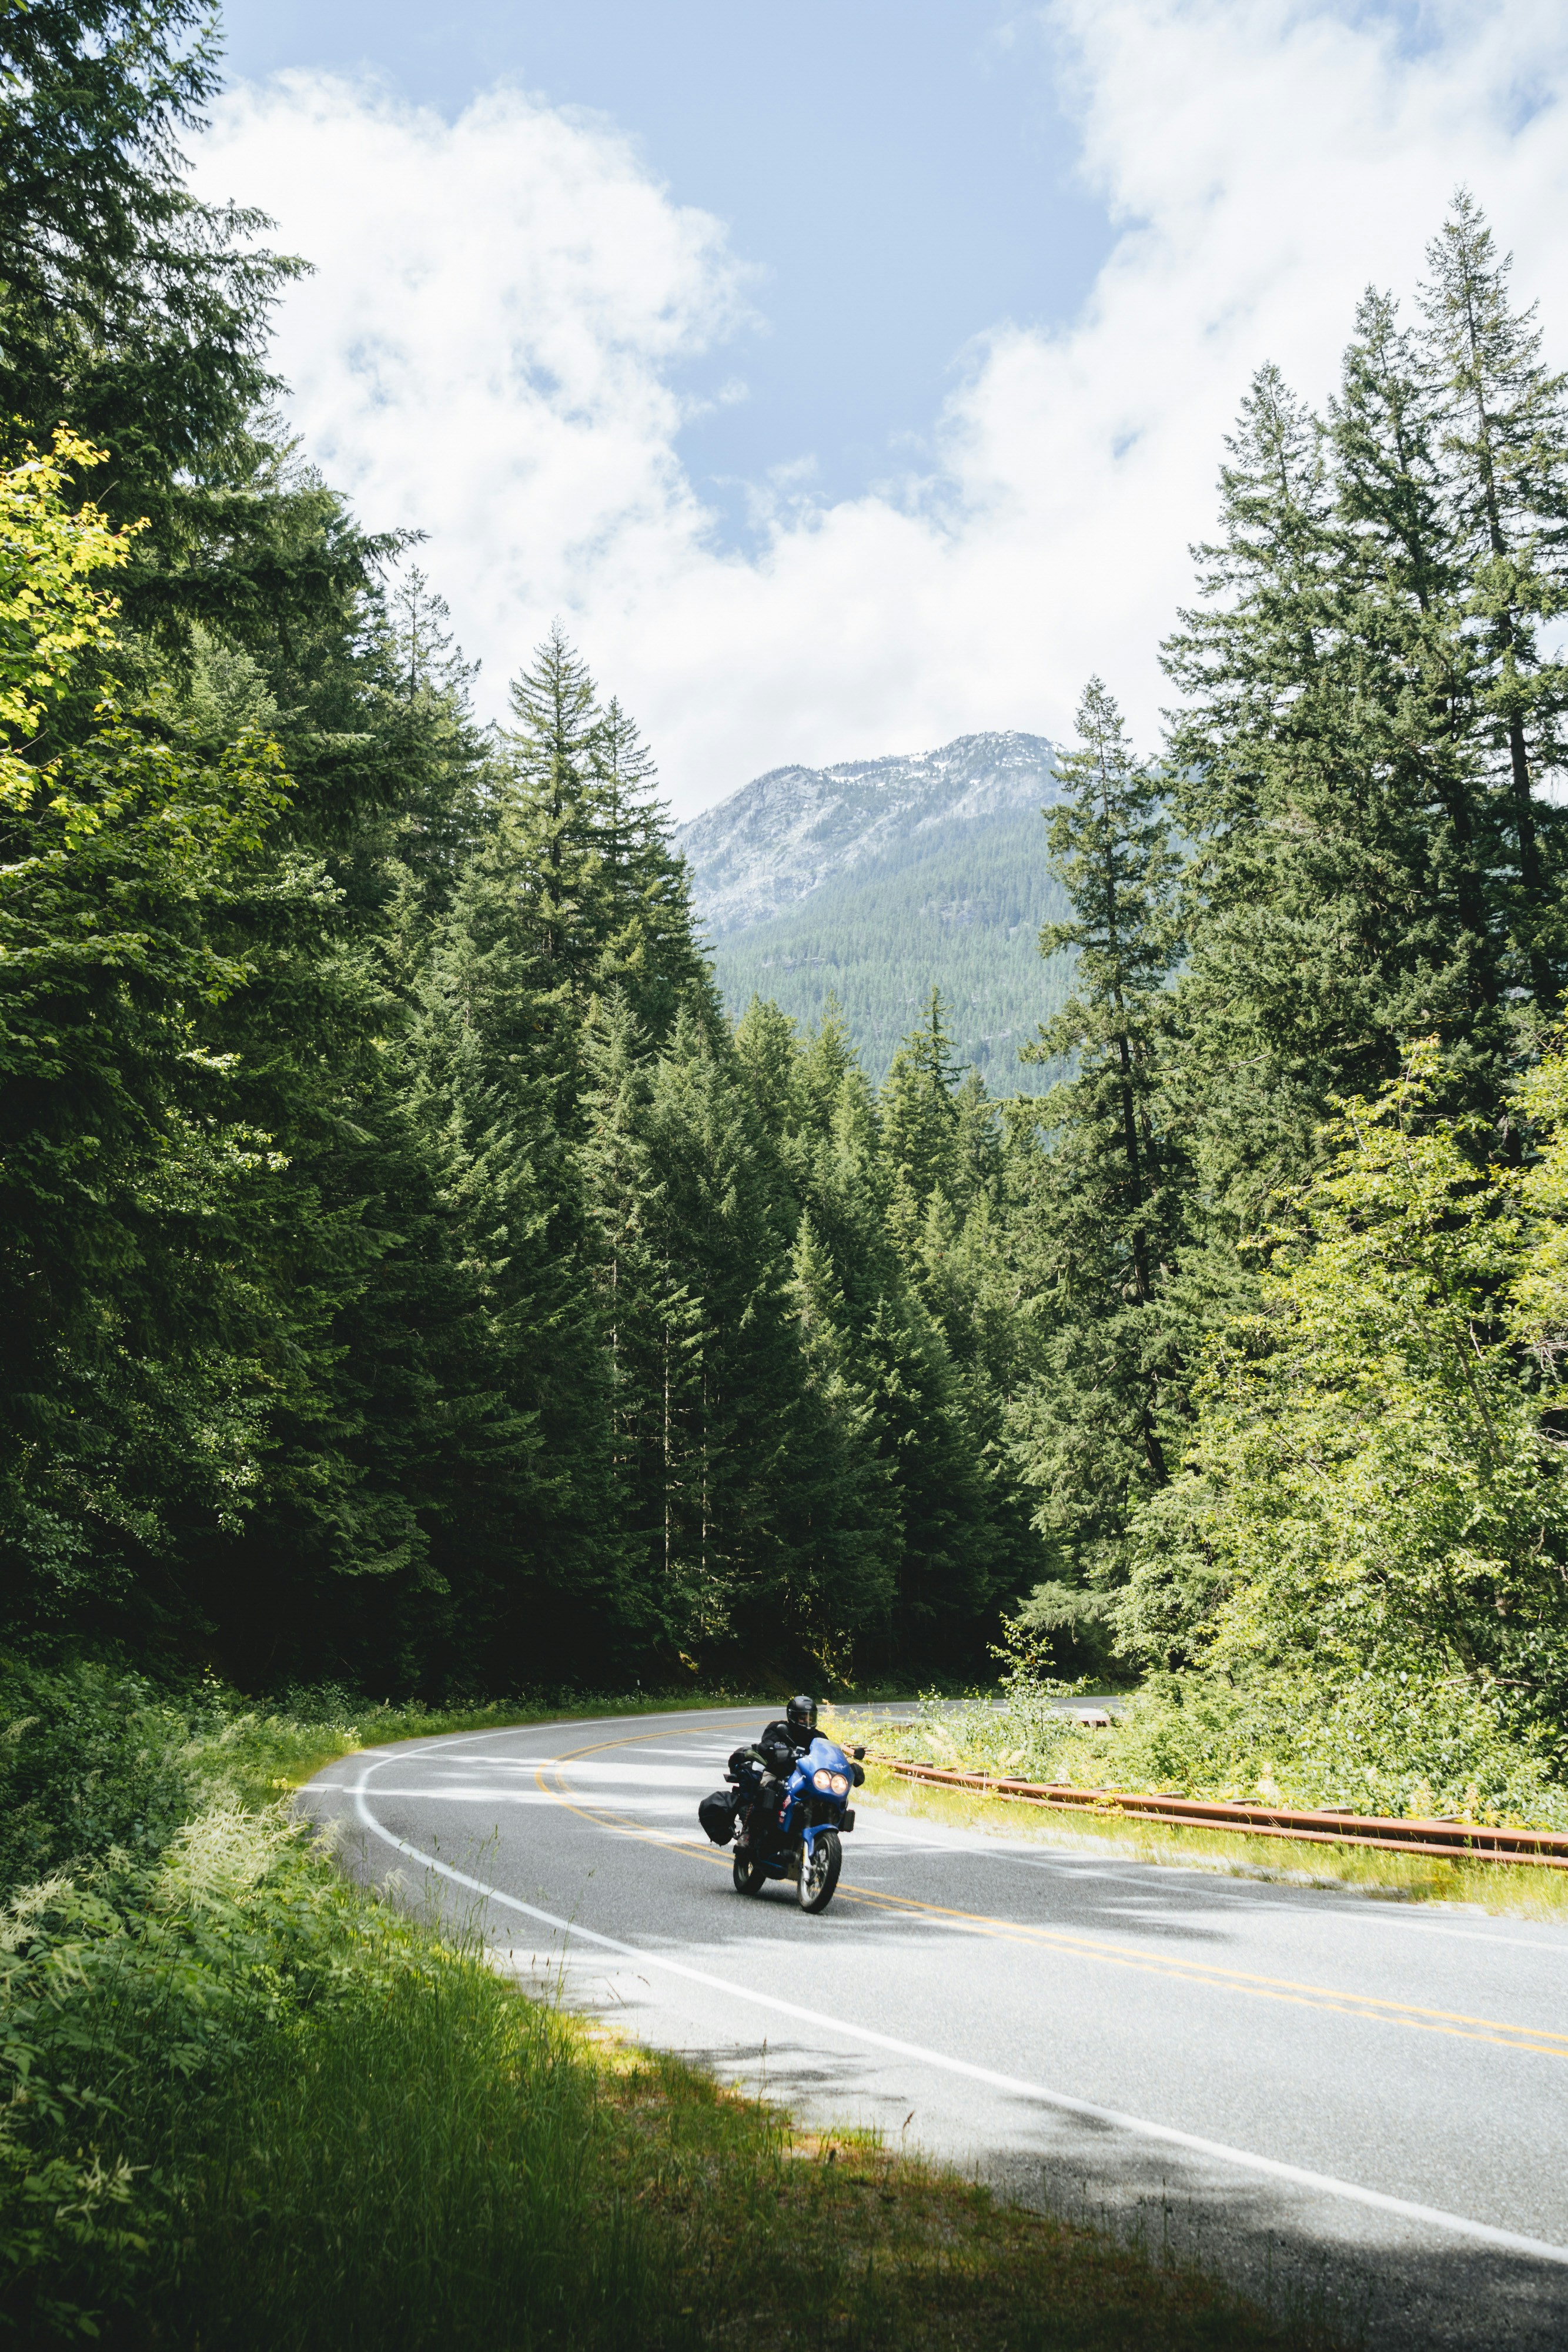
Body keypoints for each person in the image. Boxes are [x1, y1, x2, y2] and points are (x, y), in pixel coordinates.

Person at [731, 1696, 818, 1850]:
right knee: (768, 1789)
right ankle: (749, 1833)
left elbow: (829, 1752)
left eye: (810, 1717)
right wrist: (776, 1751)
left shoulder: (817, 1736)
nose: (807, 1721)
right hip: (777, 1773)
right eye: (803, 1718)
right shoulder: (778, 1728)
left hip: (803, 1778)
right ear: (792, 1717)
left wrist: (848, 1765)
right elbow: (765, 1746)